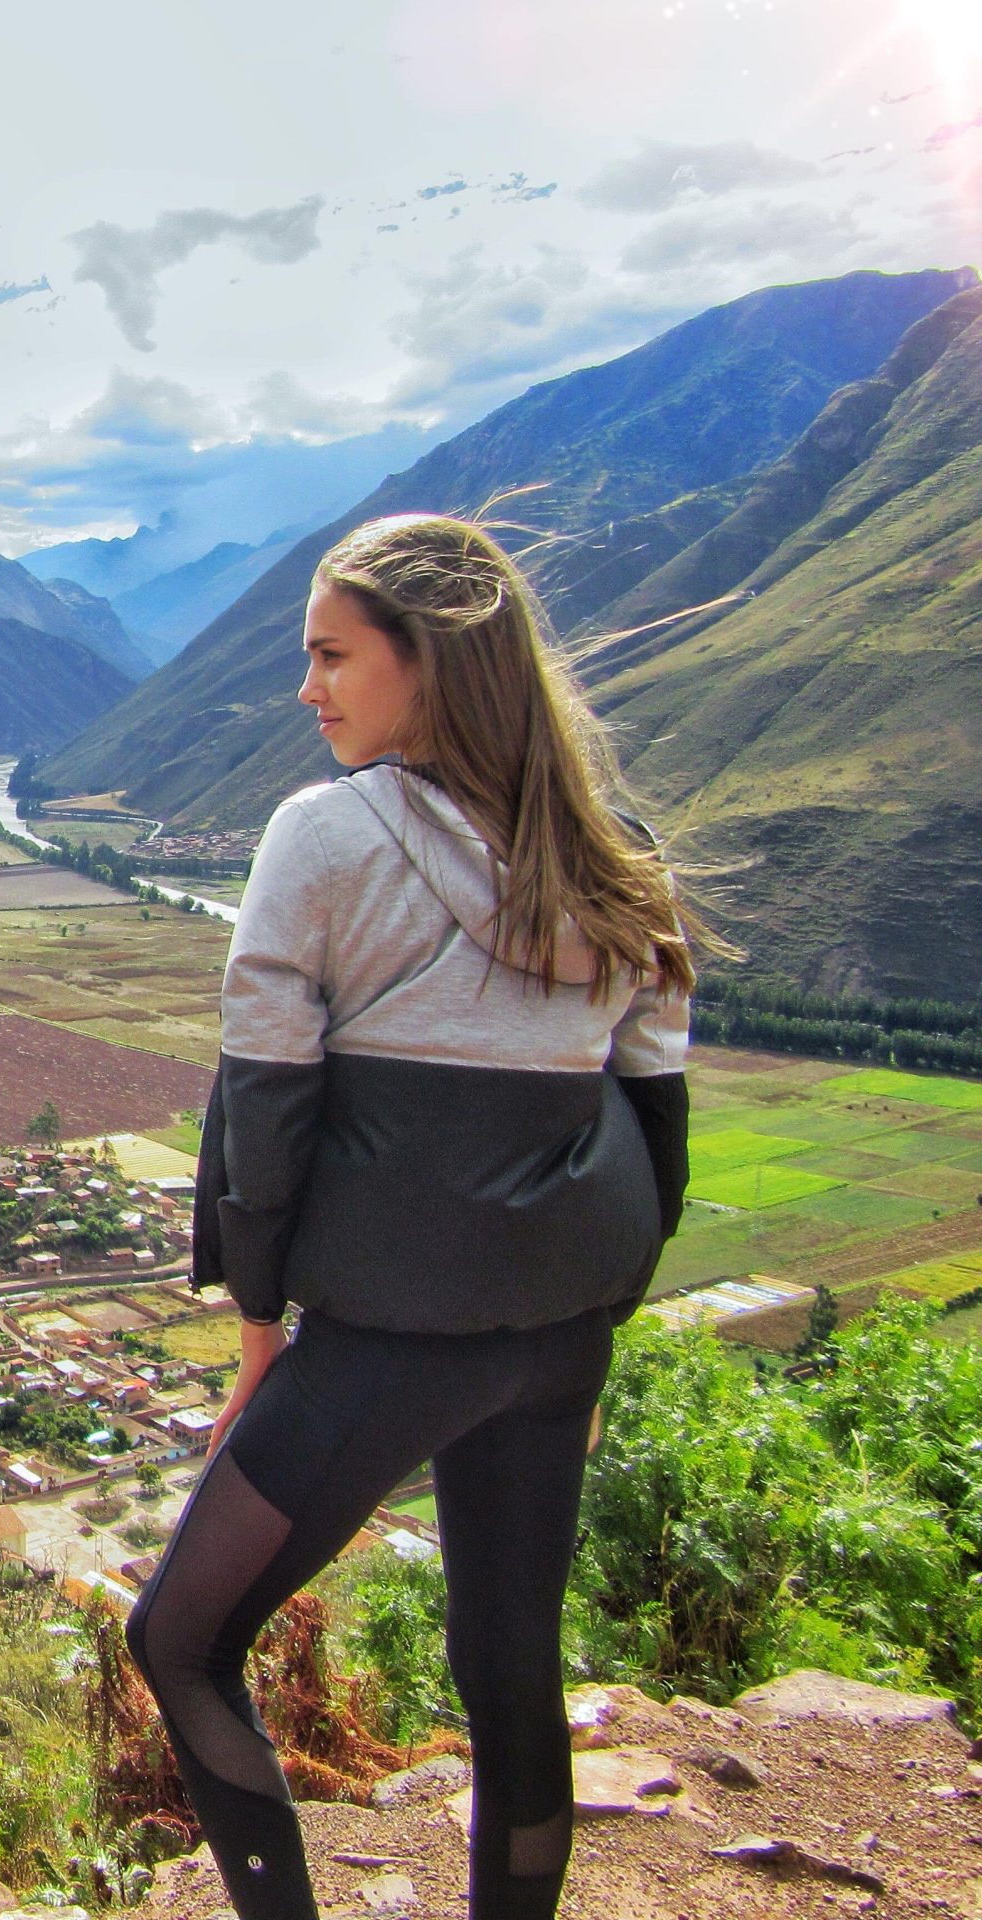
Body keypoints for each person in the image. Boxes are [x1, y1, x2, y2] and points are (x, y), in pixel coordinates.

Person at [126, 513, 705, 1920]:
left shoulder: (324, 838)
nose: (306, 690)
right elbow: (660, 1120)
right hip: (560, 1324)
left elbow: (264, 1112)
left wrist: (261, 1326)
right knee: (510, 1660)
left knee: (184, 1638)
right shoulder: (609, 852)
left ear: (425, 664)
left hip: (394, 1329)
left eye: (330, 657)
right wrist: (590, 1300)